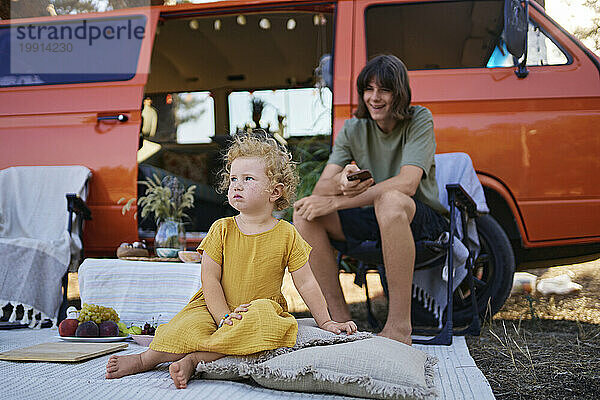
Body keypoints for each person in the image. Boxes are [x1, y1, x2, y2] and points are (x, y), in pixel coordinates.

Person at [106, 132, 357, 388]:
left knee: (267, 326)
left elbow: (306, 283)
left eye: (248, 179)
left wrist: (325, 321)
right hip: (214, 305)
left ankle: (195, 359)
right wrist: (222, 316)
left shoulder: (287, 233)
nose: (236, 185)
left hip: (259, 307)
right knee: (183, 327)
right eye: (233, 178)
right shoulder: (221, 228)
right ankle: (143, 360)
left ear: (275, 191)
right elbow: (210, 278)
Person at [293, 55, 449, 346]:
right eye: (368, 89)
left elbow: (408, 183)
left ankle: (399, 327)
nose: (374, 98)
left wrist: (337, 202)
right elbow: (322, 189)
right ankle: (337, 320)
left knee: (390, 200)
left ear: (399, 93)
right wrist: (341, 182)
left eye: (384, 90)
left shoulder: (419, 119)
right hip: (374, 217)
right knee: (305, 213)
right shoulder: (353, 129)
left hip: (420, 219)